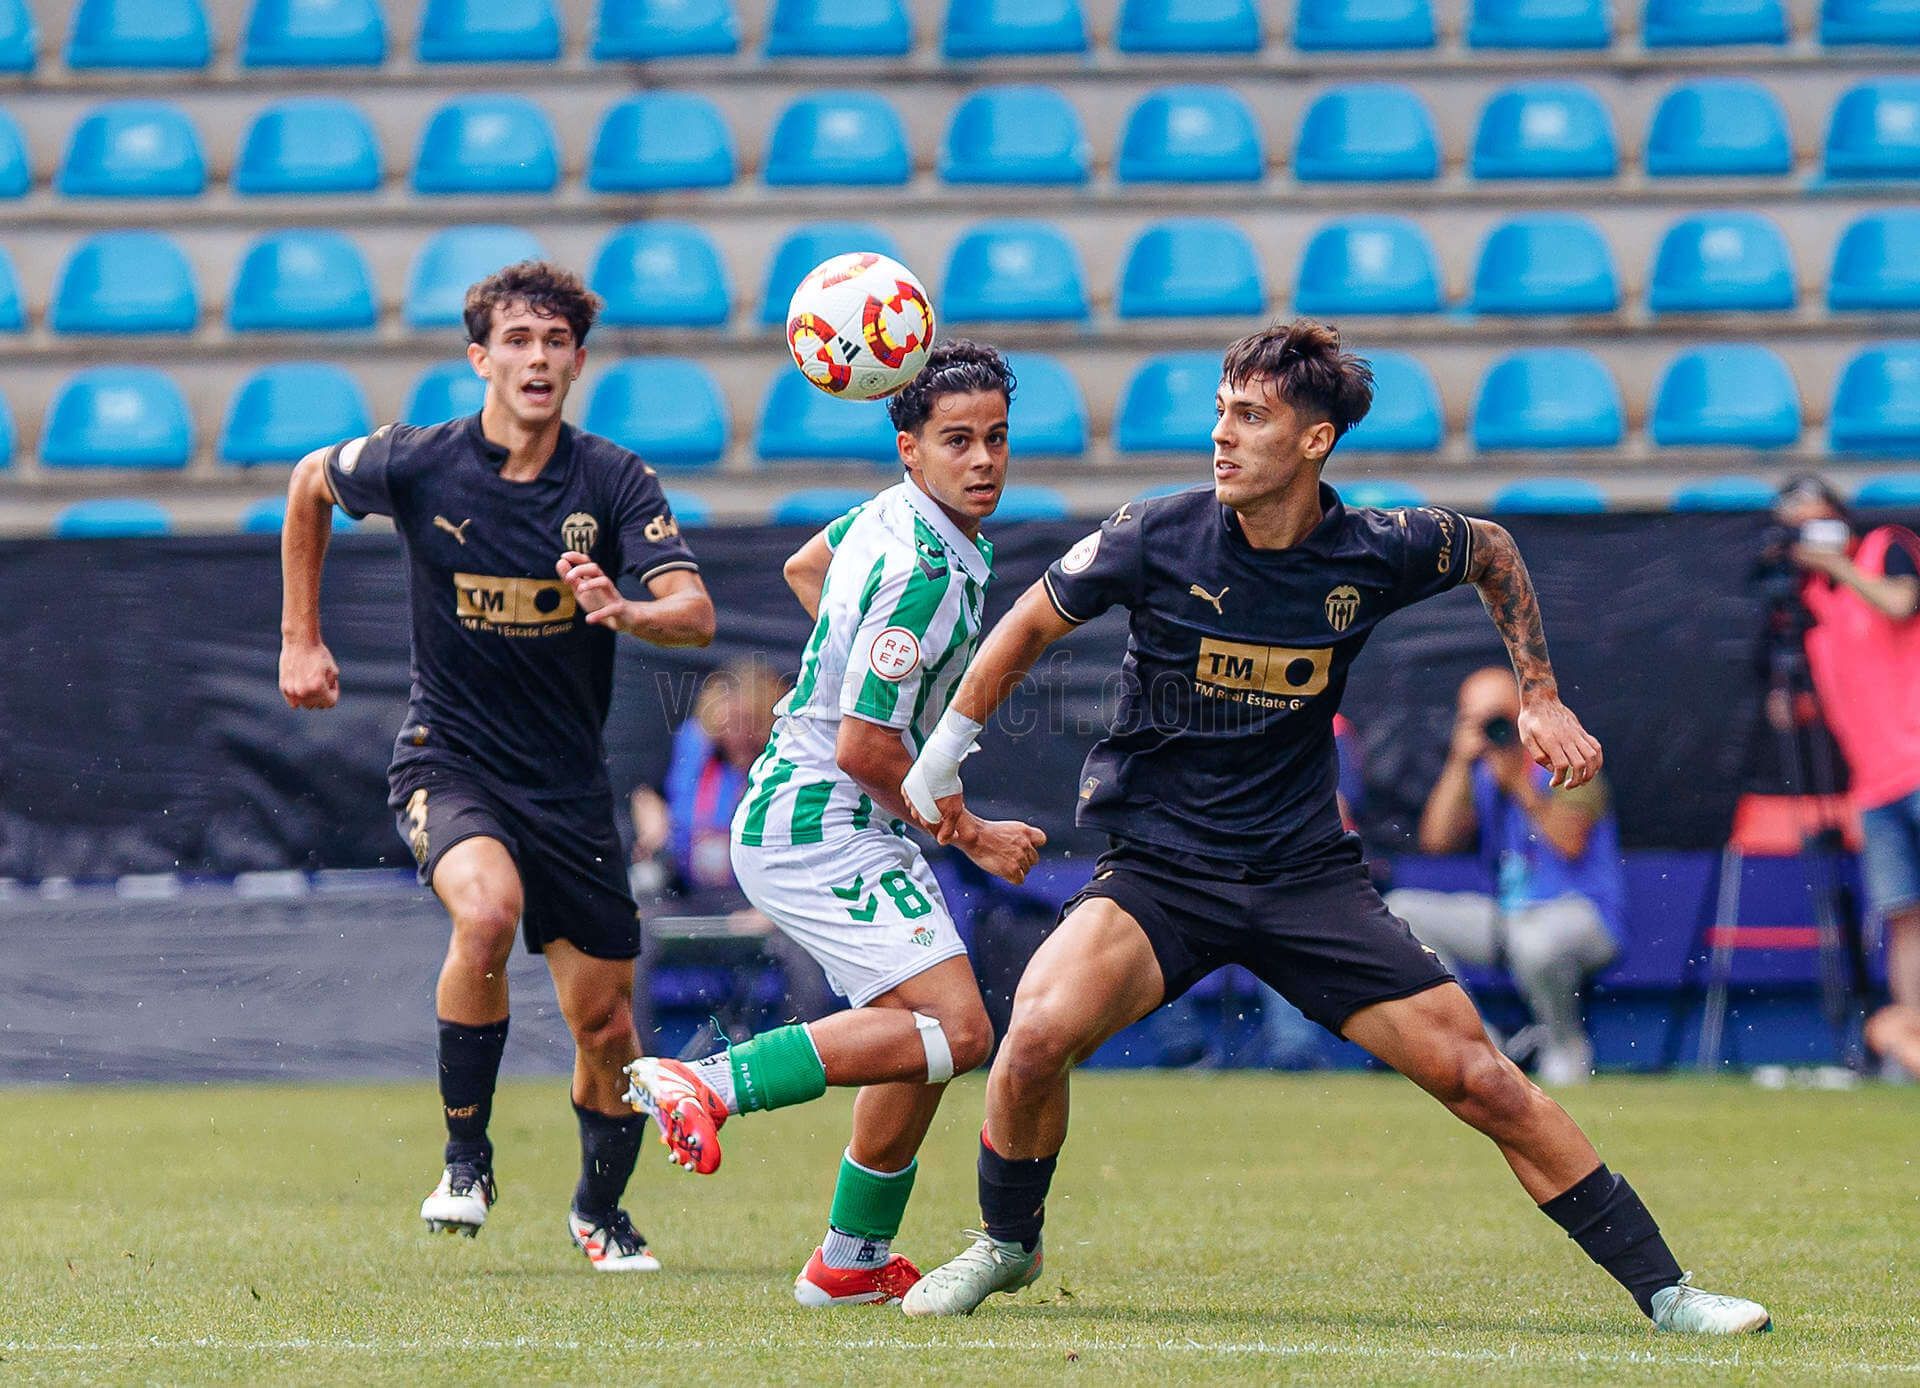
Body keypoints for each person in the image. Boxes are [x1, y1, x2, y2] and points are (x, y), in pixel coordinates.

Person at [895, 321, 1769, 1334]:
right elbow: (1029, 623)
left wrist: (1539, 694)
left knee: (1480, 1076)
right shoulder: (1156, 533)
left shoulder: (1380, 548)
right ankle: (1007, 1244)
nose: (1222, 435)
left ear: (1314, 442)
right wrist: (944, 751)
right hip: (1163, 875)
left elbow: (1495, 549)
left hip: (1305, 876)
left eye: (1252, 416)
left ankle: (1669, 1292)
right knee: (1035, 1033)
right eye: (1221, 410)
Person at [277, 261, 715, 1272]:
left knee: (607, 1021)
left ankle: (599, 1213)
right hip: (450, 760)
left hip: (569, 788)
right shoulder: (421, 462)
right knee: (486, 910)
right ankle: (466, 1156)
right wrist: (301, 638)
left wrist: (626, 608)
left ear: (577, 361)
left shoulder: (612, 480)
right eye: (517, 341)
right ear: (480, 357)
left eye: (556, 342)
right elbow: (308, 483)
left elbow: (693, 612)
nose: (538, 358)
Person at [621, 341, 1047, 1308]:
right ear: (911, 449)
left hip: (822, 813)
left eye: (996, 439)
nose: (982, 461)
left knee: (926, 1038)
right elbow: (863, 751)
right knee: (959, 1028)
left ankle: (850, 1259)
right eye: (956, 442)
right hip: (821, 819)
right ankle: (712, 1082)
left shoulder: (887, 517)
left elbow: (803, 564)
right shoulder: (926, 571)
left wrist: (849, 655)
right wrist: (973, 832)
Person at [1388, 666, 1624, 1086]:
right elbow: (1436, 841)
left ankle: (1564, 1050)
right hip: (1509, 917)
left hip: (1580, 916)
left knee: (1535, 940)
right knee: (1401, 910)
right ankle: (1481, 1046)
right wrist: (1460, 762)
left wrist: (1520, 781)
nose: (1492, 730)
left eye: (1498, 717)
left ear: (1524, 713)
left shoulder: (1569, 758)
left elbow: (1570, 842)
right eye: (1474, 719)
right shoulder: (1480, 774)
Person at [1776, 474, 1920, 1077]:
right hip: (1874, 783)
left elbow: (1900, 602)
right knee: (1902, 914)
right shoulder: (1810, 599)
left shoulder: (1883, 545)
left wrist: (1838, 565)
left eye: (1819, 518)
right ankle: (1913, 1048)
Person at [628, 659, 836, 1039]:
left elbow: (811, 852)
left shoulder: (792, 768)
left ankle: (807, 1052)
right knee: (632, 931)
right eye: (726, 724)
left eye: (746, 722)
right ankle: (638, 1058)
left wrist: (772, 908)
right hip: (691, 896)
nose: (736, 735)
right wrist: (652, 821)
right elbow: (647, 792)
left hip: (767, 901)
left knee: (802, 943)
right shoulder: (688, 752)